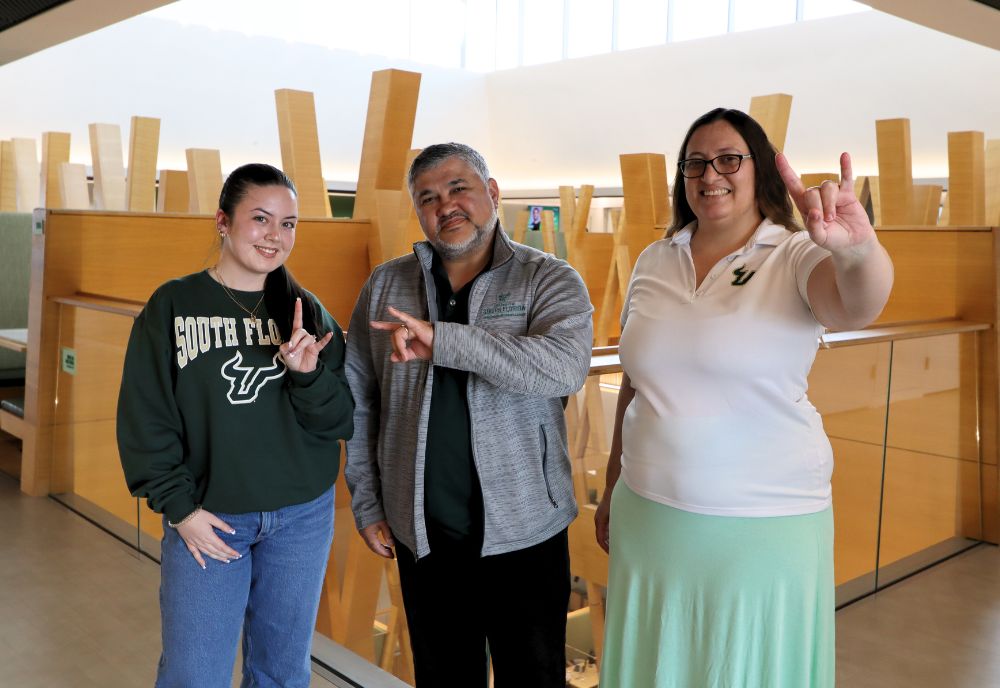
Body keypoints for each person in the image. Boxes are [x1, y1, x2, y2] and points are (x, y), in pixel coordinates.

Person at [595, 108, 893, 687]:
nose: (712, 175)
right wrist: (611, 488)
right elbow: (636, 384)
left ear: (760, 170)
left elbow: (857, 305)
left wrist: (857, 251)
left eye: (729, 159)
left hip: (761, 523)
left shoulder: (794, 254)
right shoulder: (654, 260)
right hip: (650, 515)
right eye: (696, 163)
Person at [344, 142, 593, 687]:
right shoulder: (387, 284)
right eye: (428, 197)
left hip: (528, 532)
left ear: (493, 194)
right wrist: (367, 501)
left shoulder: (547, 279)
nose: (446, 206)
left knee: (533, 678)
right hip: (424, 536)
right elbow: (361, 400)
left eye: (459, 188)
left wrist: (445, 342)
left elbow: (562, 369)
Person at [117, 163, 354, 688]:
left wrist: (308, 375)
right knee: (193, 675)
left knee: (282, 673)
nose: (276, 236)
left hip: (301, 519)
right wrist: (179, 508)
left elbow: (339, 419)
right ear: (223, 221)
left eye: (289, 223)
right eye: (261, 219)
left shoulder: (307, 312)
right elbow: (146, 416)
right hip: (211, 517)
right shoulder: (173, 306)